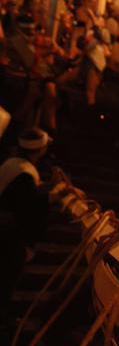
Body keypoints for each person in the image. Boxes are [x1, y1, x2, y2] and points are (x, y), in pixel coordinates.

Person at [0, 127, 50, 315]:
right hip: (9, 235)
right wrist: (53, 195)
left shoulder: (12, 162)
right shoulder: (25, 173)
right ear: (40, 149)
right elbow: (27, 206)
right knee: (5, 280)